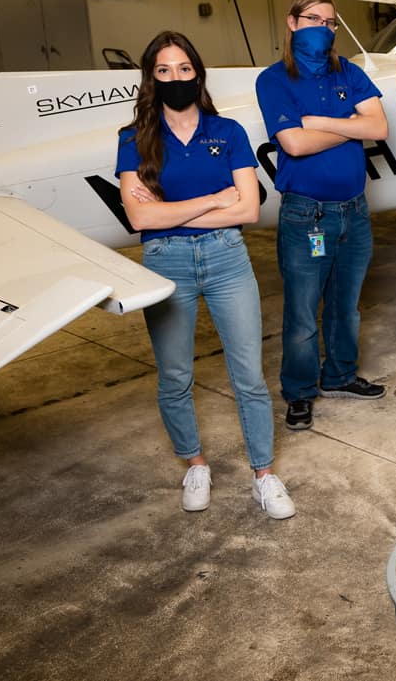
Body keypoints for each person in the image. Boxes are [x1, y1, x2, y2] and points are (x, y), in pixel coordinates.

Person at [116, 31, 295, 519]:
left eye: (184, 69)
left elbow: (251, 208)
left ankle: (264, 473)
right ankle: (195, 463)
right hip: (166, 262)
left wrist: (172, 210)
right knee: (175, 376)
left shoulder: (228, 132)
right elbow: (139, 220)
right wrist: (217, 200)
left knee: (249, 376)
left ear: (198, 73)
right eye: (164, 71)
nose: (176, 78)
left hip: (226, 258)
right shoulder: (133, 140)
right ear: (151, 79)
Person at [255, 0, 390, 431]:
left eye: (330, 23)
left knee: (345, 307)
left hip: (354, 211)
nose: (324, 29)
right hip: (306, 215)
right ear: (292, 23)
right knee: (302, 312)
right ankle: (299, 391)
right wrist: (351, 129)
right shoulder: (273, 80)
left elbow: (380, 127)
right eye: (314, 19)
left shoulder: (346, 71)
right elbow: (292, 143)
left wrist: (319, 122)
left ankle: (340, 376)